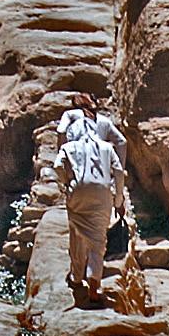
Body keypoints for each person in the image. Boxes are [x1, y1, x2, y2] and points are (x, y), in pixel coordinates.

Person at [53, 127, 125, 304]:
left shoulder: (68, 147)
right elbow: (119, 172)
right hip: (102, 193)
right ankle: (94, 286)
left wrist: (67, 182)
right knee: (98, 241)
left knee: (77, 234)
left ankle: (77, 277)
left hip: (78, 191)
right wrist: (118, 199)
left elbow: (57, 166)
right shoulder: (107, 148)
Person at [57, 92, 127, 167]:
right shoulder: (105, 121)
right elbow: (122, 142)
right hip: (100, 161)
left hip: (78, 159)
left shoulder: (69, 115)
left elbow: (61, 131)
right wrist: (120, 166)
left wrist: (63, 153)